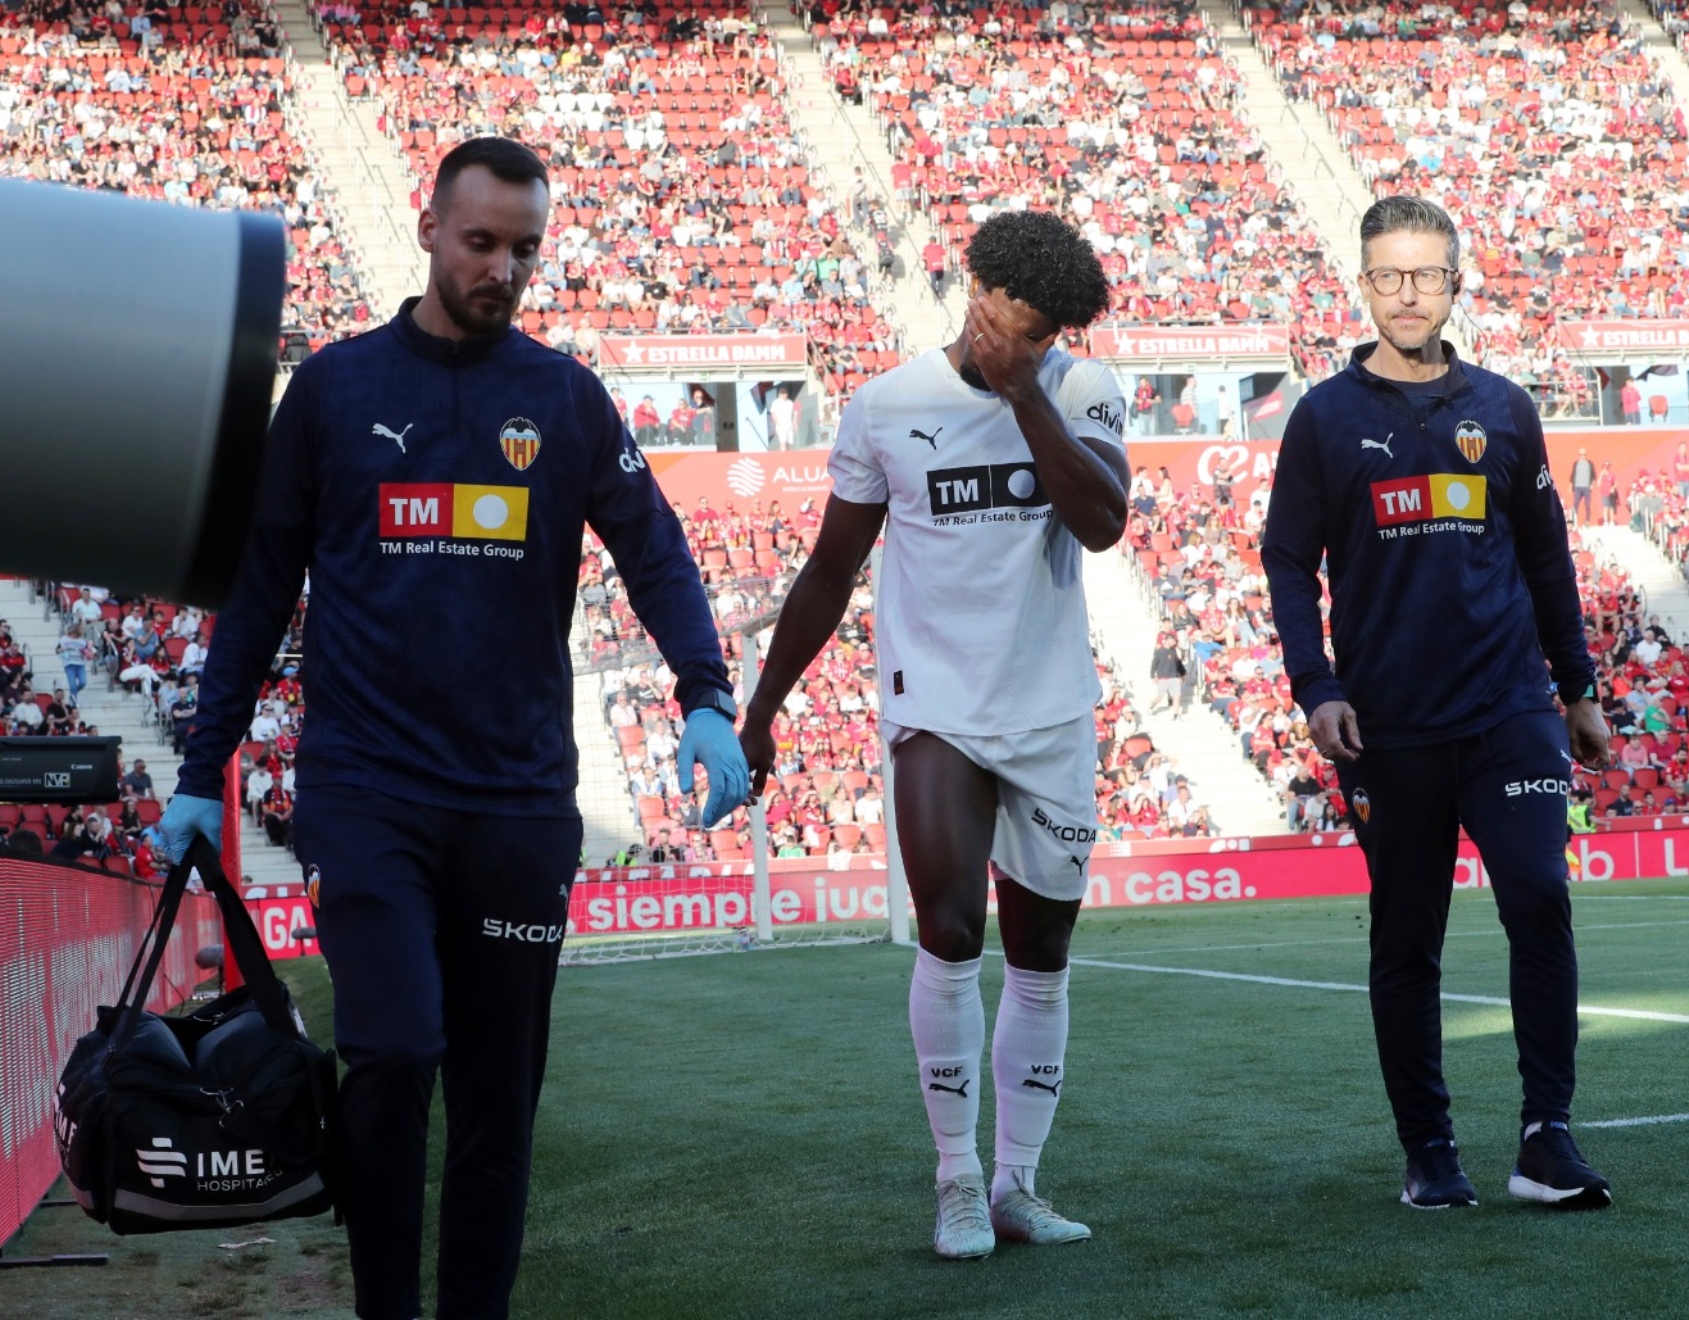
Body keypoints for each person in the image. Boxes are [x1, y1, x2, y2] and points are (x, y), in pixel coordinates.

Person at [157, 138, 750, 1320]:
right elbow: (262, 587)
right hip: (368, 793)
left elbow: (657, 551)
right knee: (391, 1054)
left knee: (497, 1102)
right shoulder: (333, 391)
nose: (503, 268)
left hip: (522, 806)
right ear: (430, 230)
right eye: (481, 242)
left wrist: (706, 696)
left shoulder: (565, 397)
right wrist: (197, 768)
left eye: (524, 249)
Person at [738, 210, 1124, 1260]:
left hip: (1048, 711)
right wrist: (764, 708)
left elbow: (1101, 521)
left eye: (1052, 333)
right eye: (1023, 322)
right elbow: (828, 569)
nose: (1034, 341)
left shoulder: (1079, 391)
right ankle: (956, 1181)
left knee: (1041, 952)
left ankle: (1017, 1185)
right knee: (952, 931)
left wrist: (1025, 392)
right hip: (935, 709)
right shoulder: (885, 406)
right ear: (977, 289)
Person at [1262, 196, 1614, 1212]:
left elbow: (1547, 557)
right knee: (1407, 941)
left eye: (1426, 275)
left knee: (1539, 898)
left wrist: (1577, 687)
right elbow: (1287, 561)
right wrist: (1315, 686)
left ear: (1456, 284)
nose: (1406, 293)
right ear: (1363, 285)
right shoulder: (1323, 417)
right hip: (1387, 723)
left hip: (1510, 707)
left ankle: (1547, 1137)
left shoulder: (1504, 408)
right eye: (1388, 275)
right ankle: (1431, 1151)